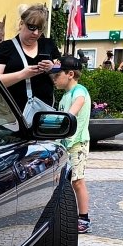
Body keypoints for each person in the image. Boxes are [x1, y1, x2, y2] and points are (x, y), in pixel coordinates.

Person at [0, 2, 61, 111]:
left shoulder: (48, 44)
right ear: (22, 23)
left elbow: (60, 77)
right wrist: (22, 74)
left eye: (40, 29)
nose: (36, 33)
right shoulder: (6, 47)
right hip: (12, 115)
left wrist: (52, 69)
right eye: (32, 27)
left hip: (43, 114)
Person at [52, 55, 92, 234]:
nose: (54, 79)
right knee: (64, 181)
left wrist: (69, 115)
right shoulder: (65, 95)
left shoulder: (79, 90)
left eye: (57, 74)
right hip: (66, 144)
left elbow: (80, 101)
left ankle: (84, 219)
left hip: (77, 143)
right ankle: (64, 215)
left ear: (69, 74)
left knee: (77, 181)